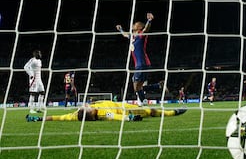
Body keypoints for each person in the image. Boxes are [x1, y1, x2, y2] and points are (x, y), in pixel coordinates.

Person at [116, 13, 165, 106]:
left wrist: (149, 21)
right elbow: (125, 35)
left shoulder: (140, 35)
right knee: (139, 87)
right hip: (141, 64)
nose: (133, 25)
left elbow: (146, 29)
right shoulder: (132, 37)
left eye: (135, 24)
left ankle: (144, 101)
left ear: (139, 28)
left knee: (136, 85)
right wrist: (120, 29)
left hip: (142, 64)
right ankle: (157, 87)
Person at [26, 100, 187, 122]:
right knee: (150, 110)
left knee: (148, 109)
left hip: (120, 104)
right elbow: (115, 116)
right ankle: (173, 113)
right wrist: (129, 119)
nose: (87, 106)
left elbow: (57, 117)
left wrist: (39, 119)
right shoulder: (101, 113)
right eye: (89, 108)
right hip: (123, 109)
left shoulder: (75, 115)